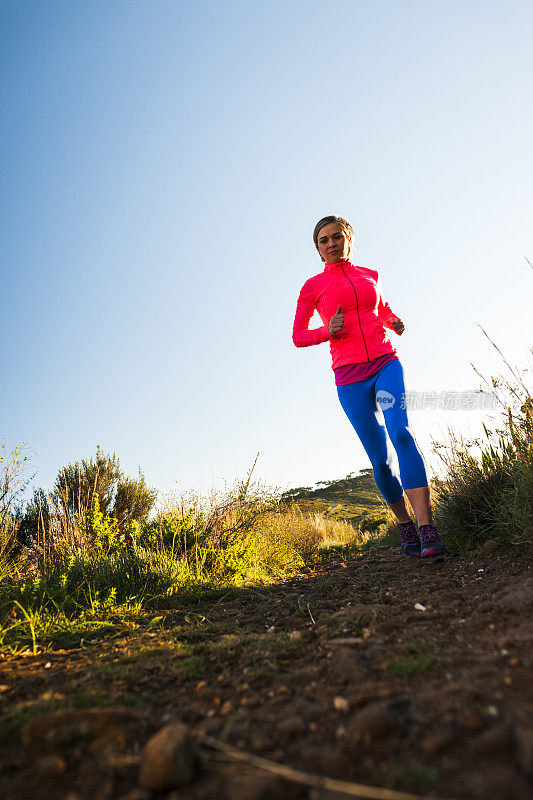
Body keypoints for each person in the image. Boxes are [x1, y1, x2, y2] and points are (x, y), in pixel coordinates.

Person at [292, 215, 448, 558]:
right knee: (379, 461)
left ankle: (427, 530)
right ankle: (404, 524)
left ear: (349, 239)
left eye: (337, 237)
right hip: (348, 377)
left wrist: (391, 320)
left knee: (402, 434)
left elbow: (381, 308)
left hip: (384, 364)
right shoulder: (312, 286)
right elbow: (297, 336)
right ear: (318, 249)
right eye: (323, 240)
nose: (331, 244)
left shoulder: (370, 275)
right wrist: (325, 331)